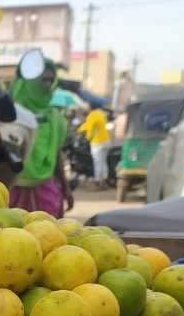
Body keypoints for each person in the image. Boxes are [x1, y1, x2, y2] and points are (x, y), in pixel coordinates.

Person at [8, 56, 72, 218]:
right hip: (9, 188)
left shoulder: (56, 119)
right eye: (42, 80)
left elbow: (57, 154)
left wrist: (65, 188)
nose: (47, 86)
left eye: (51, 81)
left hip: (44, 189)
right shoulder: (7, 114)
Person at [78, 101, 110, 189]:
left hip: (97, 142)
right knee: (103, 162)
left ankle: (97, 183)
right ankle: (104, 180)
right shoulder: (101, 114)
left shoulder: (91, 116)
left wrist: (88, 138)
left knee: (97, 163)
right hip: (106, 141)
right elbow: (88, 125)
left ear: (90, 108)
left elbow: (90, 129)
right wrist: (80, 129)